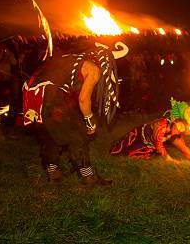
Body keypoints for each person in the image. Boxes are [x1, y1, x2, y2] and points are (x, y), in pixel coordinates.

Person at [22, 42, 128, 185]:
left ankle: (53, 172)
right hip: (50, 97)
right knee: (77, 136)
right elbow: (83, 99)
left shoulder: (74, 58)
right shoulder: (93, 69)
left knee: (51, 133)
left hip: (32, 93)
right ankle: (89, 177)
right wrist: (89, 121)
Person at [110, 98, 190, 162]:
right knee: (119, 152)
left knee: (140, 155)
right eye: (180, 125)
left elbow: (188, 152)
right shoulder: (161, 126)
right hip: (138, 136)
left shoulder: (176, 134)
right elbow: (160, 148)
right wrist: (172, 161)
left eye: (183, 128)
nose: (180, 129)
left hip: (149, 145)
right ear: (175, 121)